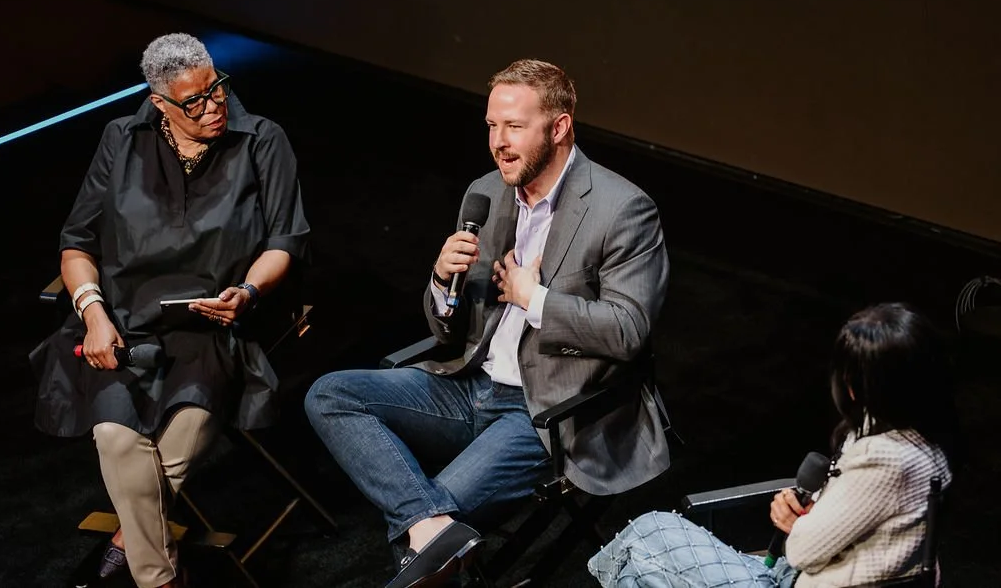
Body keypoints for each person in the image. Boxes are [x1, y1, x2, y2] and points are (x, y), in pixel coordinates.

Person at [305, 58, 672, 588]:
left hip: (548, 410)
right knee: (331, 395)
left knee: (435, 523)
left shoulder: (622, 208)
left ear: (560, 126)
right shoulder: (488, 191)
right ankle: (429, 525)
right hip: (469, 387)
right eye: (492, 126)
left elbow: (628, 331)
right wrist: (440, 281)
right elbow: (448, 332)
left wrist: (534, 297)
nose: (499, 142)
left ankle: (430, 529)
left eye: (515, 127)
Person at [29, 33, 310, 588]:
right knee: (115, 436)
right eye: (194, 101)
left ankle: (140, 554)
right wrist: (92, 313)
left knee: (179, 436)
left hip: (214, 327)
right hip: (126, 320)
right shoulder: (122, 138)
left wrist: (248, 293)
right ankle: (161, 577)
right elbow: (76, 243)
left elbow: (287, 240)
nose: (214, 106)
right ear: (160, 103)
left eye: (218, 89)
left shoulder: (261, 140)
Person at [588, 302, 961, 588]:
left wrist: (791, 524)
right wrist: (811, 511)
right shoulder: (925, 439)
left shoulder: (884, 461)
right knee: (642, 562)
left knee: (645, 538)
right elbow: (856, 517)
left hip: (798, 578)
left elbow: (801, 552)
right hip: (815, 569)